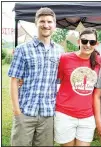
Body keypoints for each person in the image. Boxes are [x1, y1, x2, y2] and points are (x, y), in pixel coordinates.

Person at [8, 7, 64, 146]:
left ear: (55, 25)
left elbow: (59, 80)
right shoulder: (23, 49)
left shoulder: (60, 51)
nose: (46, 25)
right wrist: (17, 111)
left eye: (50, 22)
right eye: (42, 21)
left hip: (47, 113)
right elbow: (14, 80)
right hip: (25, 111)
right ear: (36, 23)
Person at [54, 28, 101, 146]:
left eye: (92, 42)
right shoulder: (65, 58)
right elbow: (52, 79)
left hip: (87, 116)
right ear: (78, 41)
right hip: (65, 114)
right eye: (84, 41)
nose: (88, 45)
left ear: (96, 44)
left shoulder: (97, 60)